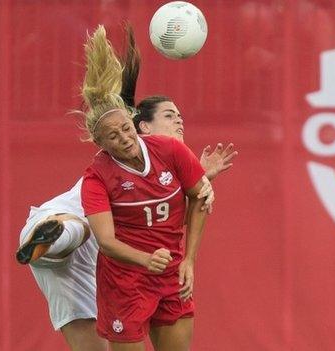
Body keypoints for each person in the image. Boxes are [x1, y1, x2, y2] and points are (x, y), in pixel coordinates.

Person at [16, 25, 237, 351]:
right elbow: (118, 224)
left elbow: (165, 193)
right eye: (169, 114)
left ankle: (51, 239)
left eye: (180, 116)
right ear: (141, 126)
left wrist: (201, 178)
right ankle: (54, 234)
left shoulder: (164, 157)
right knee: (77, 230)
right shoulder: (104, 171)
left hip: (94, 260)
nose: (179, 121)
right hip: (74, 225)